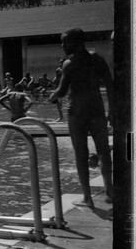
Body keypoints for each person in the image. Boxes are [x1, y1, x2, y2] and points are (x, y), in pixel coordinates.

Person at [49, 27, 114, 208]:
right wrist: (113, 111)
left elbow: (61, 91)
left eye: (65, 41)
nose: (62, 45)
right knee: (103, 150)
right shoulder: (97, 59)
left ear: (77, 42)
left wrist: (52, 96)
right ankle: (109, 190)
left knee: (80, 153)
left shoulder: (69, 64)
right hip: (97, 110)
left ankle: (87, 197)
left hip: (77, 113)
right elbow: (110, 85)